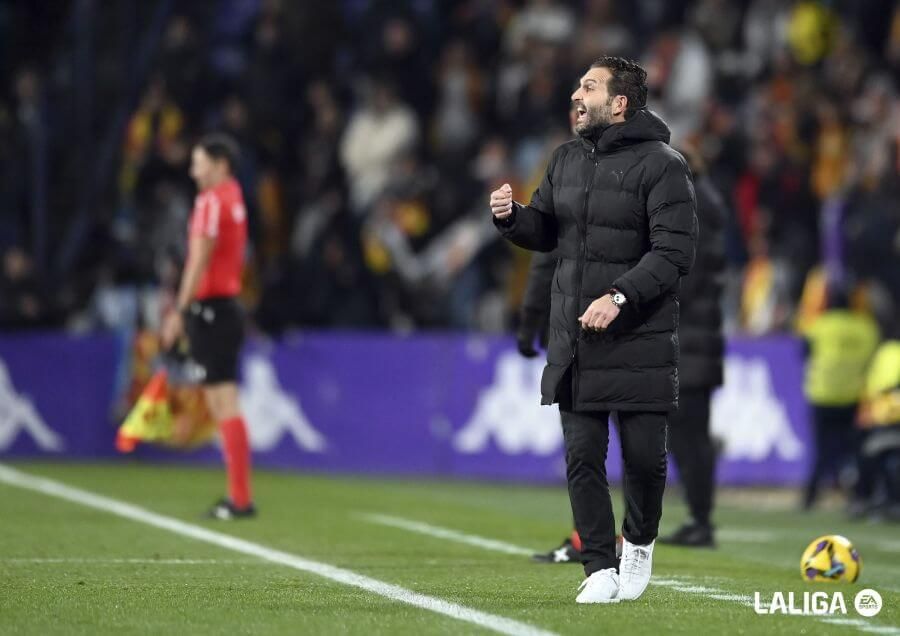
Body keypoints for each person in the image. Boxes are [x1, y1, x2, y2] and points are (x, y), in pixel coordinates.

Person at [490, 57, 697, 603]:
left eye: (589, 87)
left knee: (646, 462)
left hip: (640, 337)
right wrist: (513, 219)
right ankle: (599, 567)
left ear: (620, 103)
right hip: (576, 336)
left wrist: (621, 295)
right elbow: (548, 231)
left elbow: (675, 252)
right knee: (582, 457)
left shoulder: (664, 165)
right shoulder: (565, 159)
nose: (576, 95)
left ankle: (640, 544)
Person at [527, 144, 725, 560]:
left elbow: (676, 268)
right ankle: (618, 536)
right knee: (647, 444)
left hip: (671, 339)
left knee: (661, 445)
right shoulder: (703, 202)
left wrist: (632, 301)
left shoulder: (689, 204)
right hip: (676, 338)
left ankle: (656, 533)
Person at [161, 133, 256, 520]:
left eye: (199, 162)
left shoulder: (211, 201)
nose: (192, 170)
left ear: (220, 165)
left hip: (211, 310)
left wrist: (178, 311)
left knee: (224, 402)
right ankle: (239, 496)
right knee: (223, 402)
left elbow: (197, 260)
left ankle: (240, 499)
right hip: (228, 308)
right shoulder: (235, 198)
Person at [800, 286, 880, 509]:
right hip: (853, 396)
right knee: (856, 451)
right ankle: (858, 496)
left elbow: (804, 351)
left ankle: (810, 497)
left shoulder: (820, 325)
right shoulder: (866, 328)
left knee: (821, 450)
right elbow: (873, 357)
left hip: (823, 394)